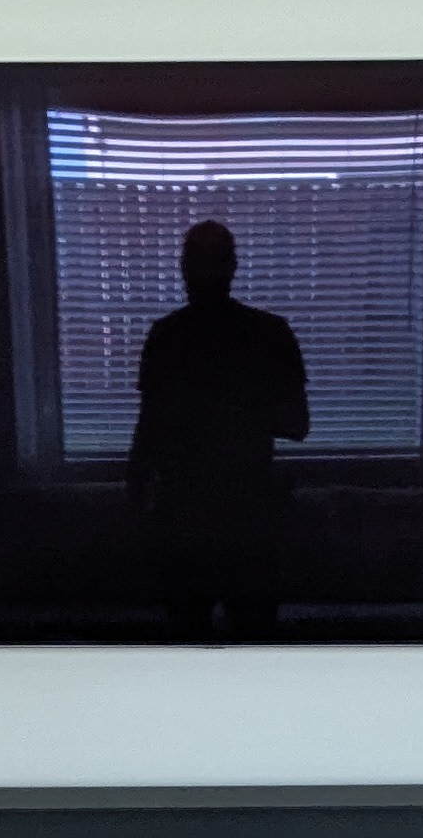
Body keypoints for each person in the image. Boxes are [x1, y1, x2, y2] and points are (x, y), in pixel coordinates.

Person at [126, 219, 309, 632]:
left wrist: (137, 501)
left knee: (189, 649)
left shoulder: (167, 336)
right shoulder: (270, 334)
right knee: (252, 643)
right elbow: (297, 424)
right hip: (247, 511)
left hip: (188, 512)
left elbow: (148, 431)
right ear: (234, 267)